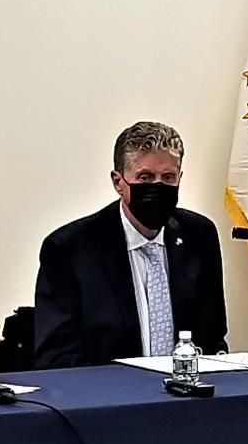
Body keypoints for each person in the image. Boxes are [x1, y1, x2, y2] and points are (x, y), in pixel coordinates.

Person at [33, 121, 228, 369]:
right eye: (145, 177)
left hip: (187, 396)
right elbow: (55, 358)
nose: (157, 186)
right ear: (118, 182)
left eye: (168, 177)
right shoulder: (70, 248)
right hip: (110, 398)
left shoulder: (199, 235)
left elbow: (213, 339)